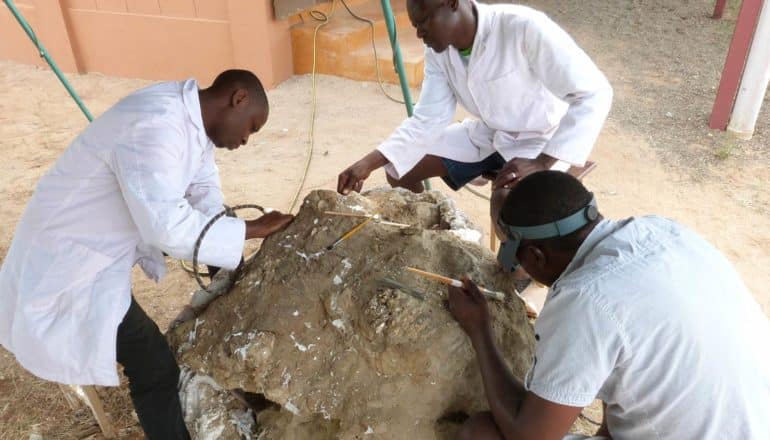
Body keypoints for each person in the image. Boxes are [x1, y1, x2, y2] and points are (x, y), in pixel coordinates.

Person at [0, 69, 293, 439]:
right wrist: (254, 229)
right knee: (154, 366)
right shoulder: (156, 125)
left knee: (221, 229)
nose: (246, 140)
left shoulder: (189, 120)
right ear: (238, 98)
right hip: (69, 262)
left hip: (95, 251)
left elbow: (203, 192)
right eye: (251, 127)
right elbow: (166, 226)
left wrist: (229, 271)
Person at [447, 170, 770, 439]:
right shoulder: (664, 232)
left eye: (514, 258)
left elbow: (530, 436)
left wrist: (479, 331)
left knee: (482, 433)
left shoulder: (584, 299)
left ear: (536, 255)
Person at [337, 0, 612, 202]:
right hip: (489, 134)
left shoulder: (522, 27)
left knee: (508, 201)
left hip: (541, 139)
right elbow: (428, 119)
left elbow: (595, 93)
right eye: (415, 26)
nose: (419, 33)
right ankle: (425, 234)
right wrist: (366, 164)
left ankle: (515, 275)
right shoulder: (438, 52)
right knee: (400, 169)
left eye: (424, 22)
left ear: (452, 3)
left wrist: (542, 162)